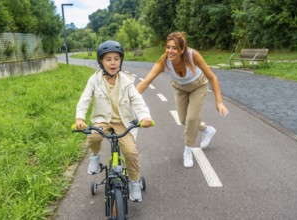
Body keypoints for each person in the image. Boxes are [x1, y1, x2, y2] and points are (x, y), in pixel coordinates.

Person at [136, 32, 229, 168]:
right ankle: (206, 129)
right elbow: (145, 83)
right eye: (168, 47)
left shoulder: (193, 55)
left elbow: (212, 77)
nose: (170, 51)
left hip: (198, 86)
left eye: (174, 48)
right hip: (180, 88)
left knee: (191, 119)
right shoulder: (164, 62)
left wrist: (219, 101)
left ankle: (188, 150)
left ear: (182, 49)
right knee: (183, 120)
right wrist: (128, 98)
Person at [75, 40, 153, 202]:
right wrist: (80, 118)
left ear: (121, 61)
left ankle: (134, 182)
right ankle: (95, 157)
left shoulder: (126, 81)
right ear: (101, 62)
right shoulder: (94, 80)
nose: (113, 62)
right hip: (102, 120)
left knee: (131, 152)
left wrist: (145, 116)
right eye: (108, 59)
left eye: (116, 59)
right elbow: (85, 98)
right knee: (94, 136)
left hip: (123, 123)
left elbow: (137, 100)